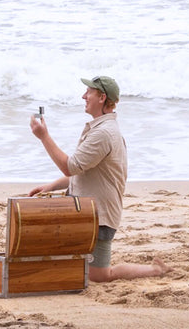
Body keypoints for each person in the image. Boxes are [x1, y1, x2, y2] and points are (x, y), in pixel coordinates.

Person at [28, 75, 170, 282]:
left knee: (100, 276)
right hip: (86, 211)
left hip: (99, 216)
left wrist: (44, 137)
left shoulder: (103, 133)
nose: (83, 96)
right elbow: (82, 173)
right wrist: (49, 187)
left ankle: (155, 270)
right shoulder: (101, 128)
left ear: (102, 97)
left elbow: (70, 167)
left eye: (89, 93)